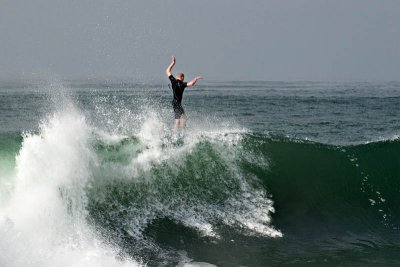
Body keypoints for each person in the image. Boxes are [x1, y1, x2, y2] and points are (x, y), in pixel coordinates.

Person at [166, 56, 202, 129]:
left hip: (174, 102)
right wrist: (195, 79)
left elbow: (167, 71)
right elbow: (191, 84)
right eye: (183, 78)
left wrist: (173, 63)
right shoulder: (182, 84)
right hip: (177, 103)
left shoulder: (173, 81)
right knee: (179, 118)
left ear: (177, 77)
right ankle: (178, 132)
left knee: (181, 117)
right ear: (182, 77)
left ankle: (180, 131)